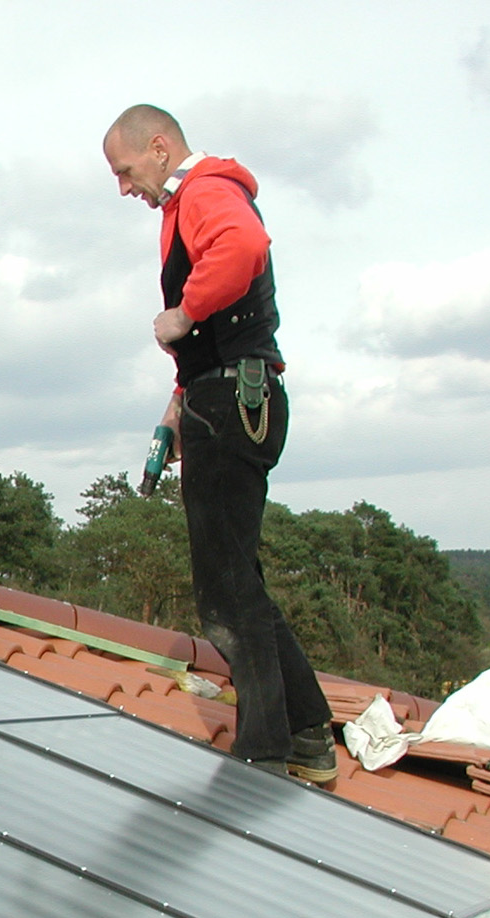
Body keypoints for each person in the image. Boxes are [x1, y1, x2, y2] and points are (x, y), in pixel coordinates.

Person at [102, 104, 337, 783]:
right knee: (238, 577)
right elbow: (221, 332)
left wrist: (184, 312)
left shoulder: (205, 191)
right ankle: (308, 730)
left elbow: (243, 247)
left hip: (234, 403)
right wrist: (180, 402)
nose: (124, 188)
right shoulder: (192, 201)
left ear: (159, 146)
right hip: (226, 397)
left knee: (226, 592)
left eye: (125, 171)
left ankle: (263, 751)